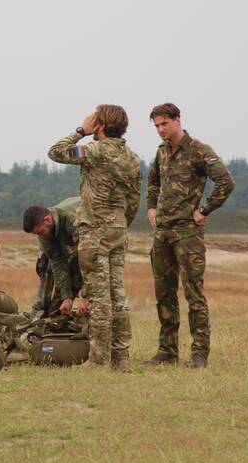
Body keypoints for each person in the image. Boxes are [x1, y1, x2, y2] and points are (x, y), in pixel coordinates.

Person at [48, 105, 141, 371]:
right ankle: (121, 357)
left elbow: (56, 152)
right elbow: (134, 199)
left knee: (100, 297)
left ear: (99, 124)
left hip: (95, 231)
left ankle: (98, 359)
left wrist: (81, 131)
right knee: (118, 295)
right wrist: (120, 222)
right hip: (118, 229)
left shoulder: (93, 151)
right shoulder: (132, 158)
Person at [144, 103, 235, 368]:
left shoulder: (198, 150)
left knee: (194, 294)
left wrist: (205, 209)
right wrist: (151, 207)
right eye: (157, 126)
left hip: (187, 233)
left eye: (164, 124)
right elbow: (153, 181)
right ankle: (167, 351)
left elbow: (226, 181)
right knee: (164, 294)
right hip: (163, 233)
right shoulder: (161, 152)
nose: (161, 130)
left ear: (177, 120)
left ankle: (199, 354)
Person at [21, 197, 82, 317]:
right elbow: (58, 263)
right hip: (77, 240)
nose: (40, 236)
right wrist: (67, 297)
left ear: (47, 220)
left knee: (76, 262)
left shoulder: (72, 220)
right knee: (46, 265)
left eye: (40, 232)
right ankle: (45, 313)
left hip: (103, 230)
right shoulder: (45, 231)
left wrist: (86, 296)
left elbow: (90, 258)